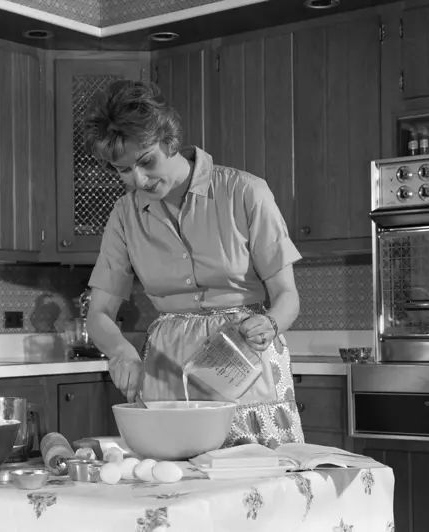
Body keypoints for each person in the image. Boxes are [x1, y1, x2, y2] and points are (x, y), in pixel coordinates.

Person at [82, 79, 304, 448]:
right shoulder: (124, 216)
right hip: (166, 368)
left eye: (146, 161)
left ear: (169, 140)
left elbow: (287, 296)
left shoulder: (246, 192)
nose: (137, 180)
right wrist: (121, 352)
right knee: (172, 488)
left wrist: (270, 322)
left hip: (244, 359)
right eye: (122, 170)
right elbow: (99, 314)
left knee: (254, 481)